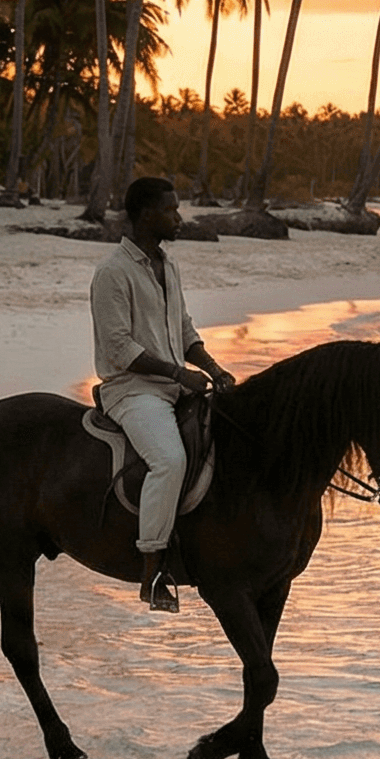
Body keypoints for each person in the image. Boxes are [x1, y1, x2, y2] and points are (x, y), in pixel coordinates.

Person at [92, 177, 237, 612]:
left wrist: (213, 369)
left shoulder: (167, 265)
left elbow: (184, 330)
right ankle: (152, 570)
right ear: (144, 214)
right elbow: (119, 348)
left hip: (173, 386)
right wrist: (178, 373)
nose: (178, 217)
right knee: (169, 460)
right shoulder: (112, 273)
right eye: (170, 210)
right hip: (132, 390)